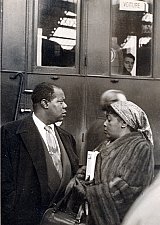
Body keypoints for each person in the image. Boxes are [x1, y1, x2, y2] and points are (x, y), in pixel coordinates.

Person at [1, 82, 79, 225]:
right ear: (44, 103)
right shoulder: (11, 133)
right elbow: (4, 181)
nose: (65, 106)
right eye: (60, 102)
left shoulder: (67, 138)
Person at [84, 100, 154, 225]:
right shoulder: (104, 145)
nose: (104, 124)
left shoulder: (141, 147)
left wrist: (89, 194)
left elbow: (130, 190)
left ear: (124, 123)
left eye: (109, 120)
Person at [83, 89, 127, 165]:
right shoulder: (105, 127)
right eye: (123, 104)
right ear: (113, 105)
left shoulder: (97, 124)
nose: (127, 107)